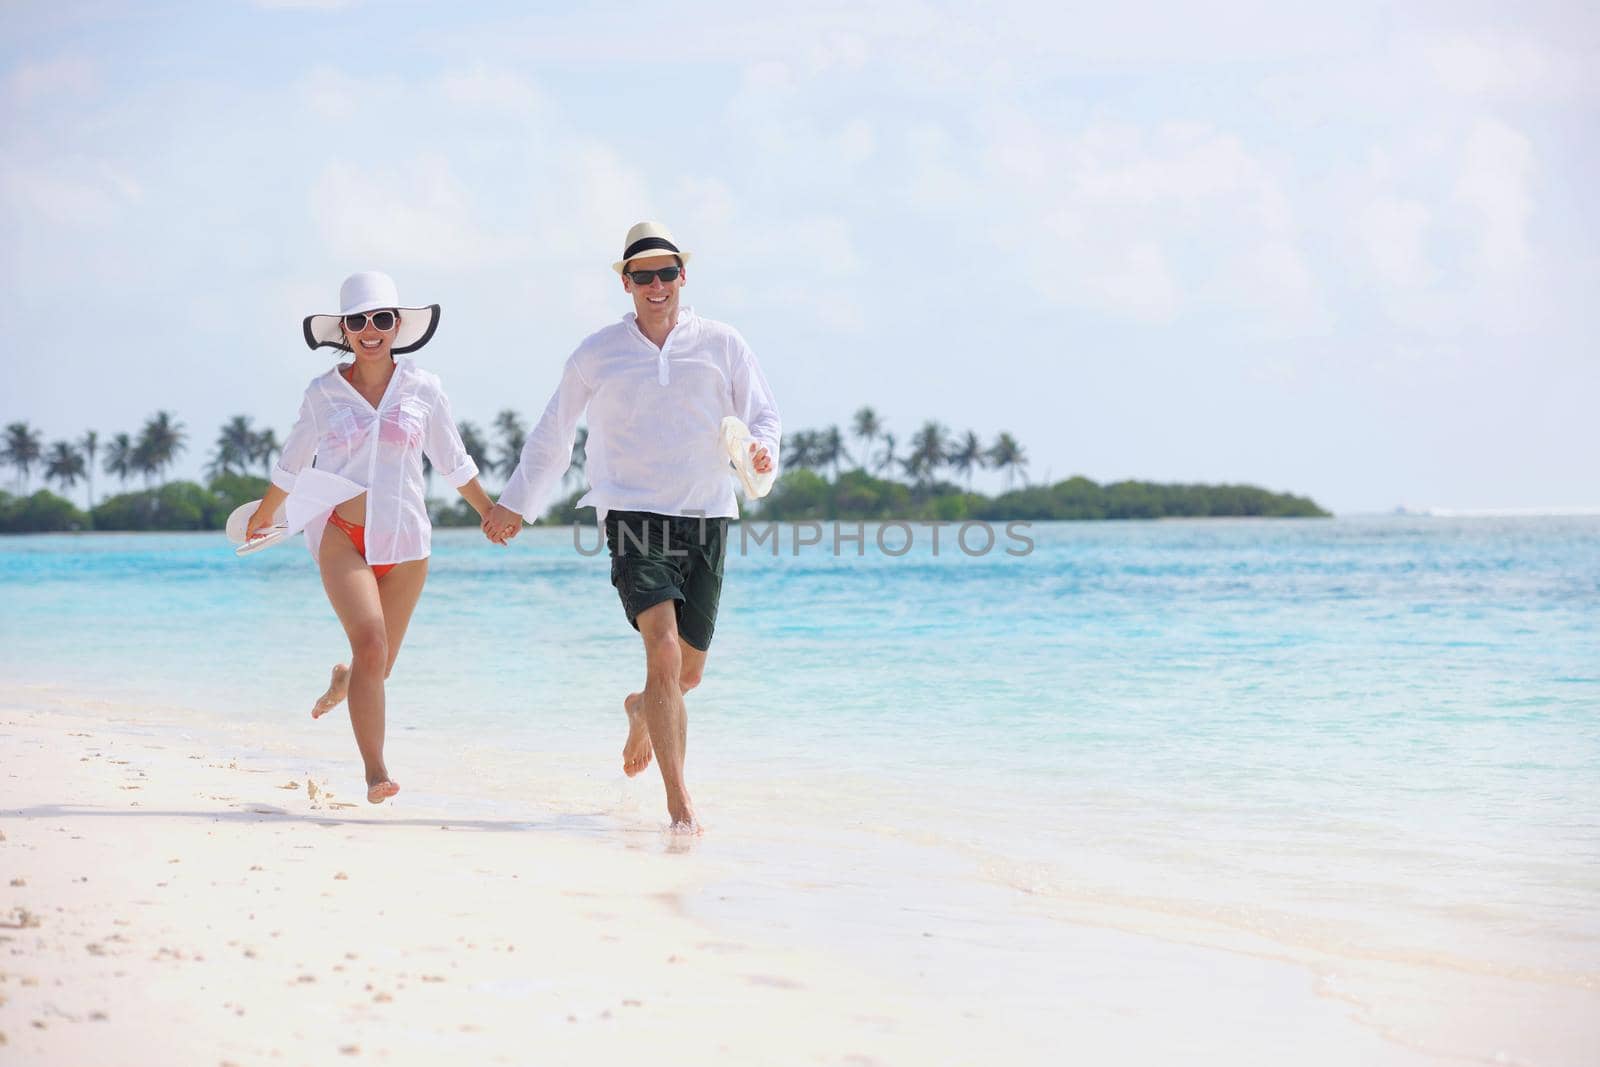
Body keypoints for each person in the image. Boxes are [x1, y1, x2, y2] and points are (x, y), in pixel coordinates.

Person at [483, 222, 780, 831]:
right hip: (633, 515)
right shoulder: (597, 353)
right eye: (641, 275)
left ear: (682, 277)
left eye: (665, 272)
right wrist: (515, 502)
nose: (655, 284)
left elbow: (761, 415)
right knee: (664, 649)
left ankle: (644, 708)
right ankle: (679, 804)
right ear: (625, 282)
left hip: (708, 514)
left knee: (687, 671)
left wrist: (761, 452)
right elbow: (553, 431)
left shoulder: (723, 343)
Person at [246, 271, 494, 804]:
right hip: (342, 535)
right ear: (345, 330)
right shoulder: (322, 394)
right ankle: (375, 770)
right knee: (372, 644)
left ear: (397, 325)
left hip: (406, 546)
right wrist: (265, 515)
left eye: (381, 319)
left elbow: (453, 461)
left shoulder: (424, 389)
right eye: (358, 321)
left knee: (375, 668)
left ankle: (344, 679)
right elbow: (292, 462)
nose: (371, 330)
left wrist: (491, 512)